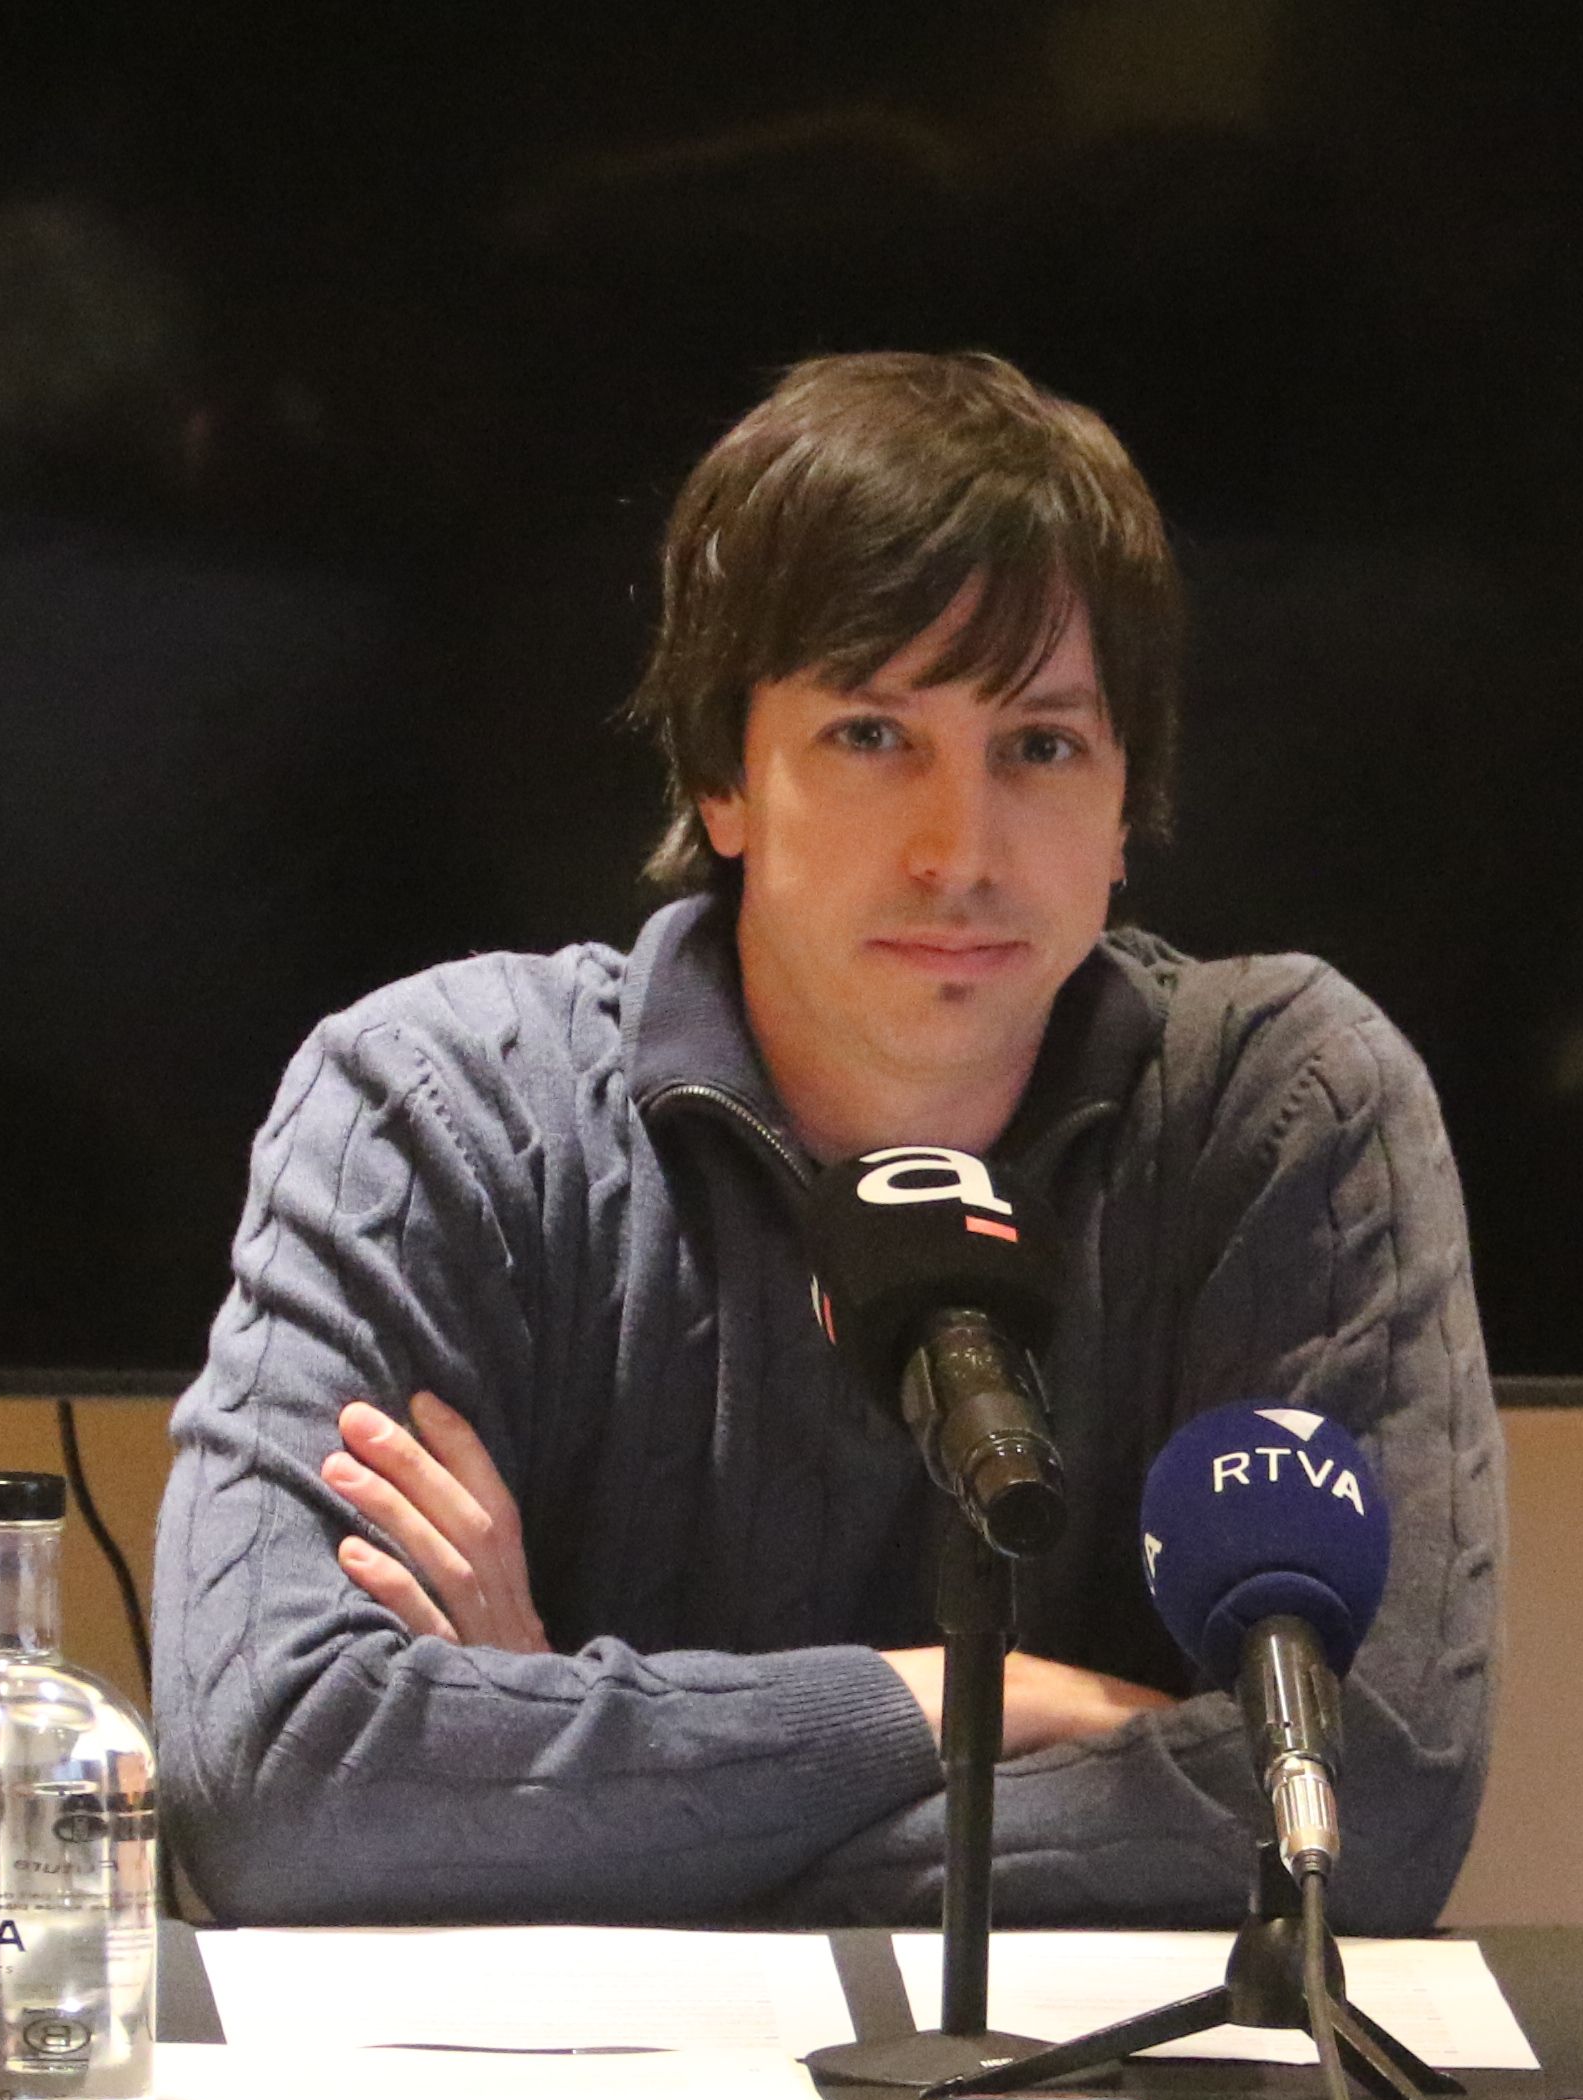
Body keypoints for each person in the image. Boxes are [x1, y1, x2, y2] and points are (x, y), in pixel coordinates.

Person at [153, 350, 1500, 1930]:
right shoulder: (433, 1103)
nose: (960, 852)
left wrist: (573, 1797)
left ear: (1129, 797)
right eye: (872, 736)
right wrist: (950, 1700)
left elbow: (1372, 1803)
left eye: (1042, 746)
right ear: (724, 776)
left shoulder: (1283, 1109)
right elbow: (273, 1786)